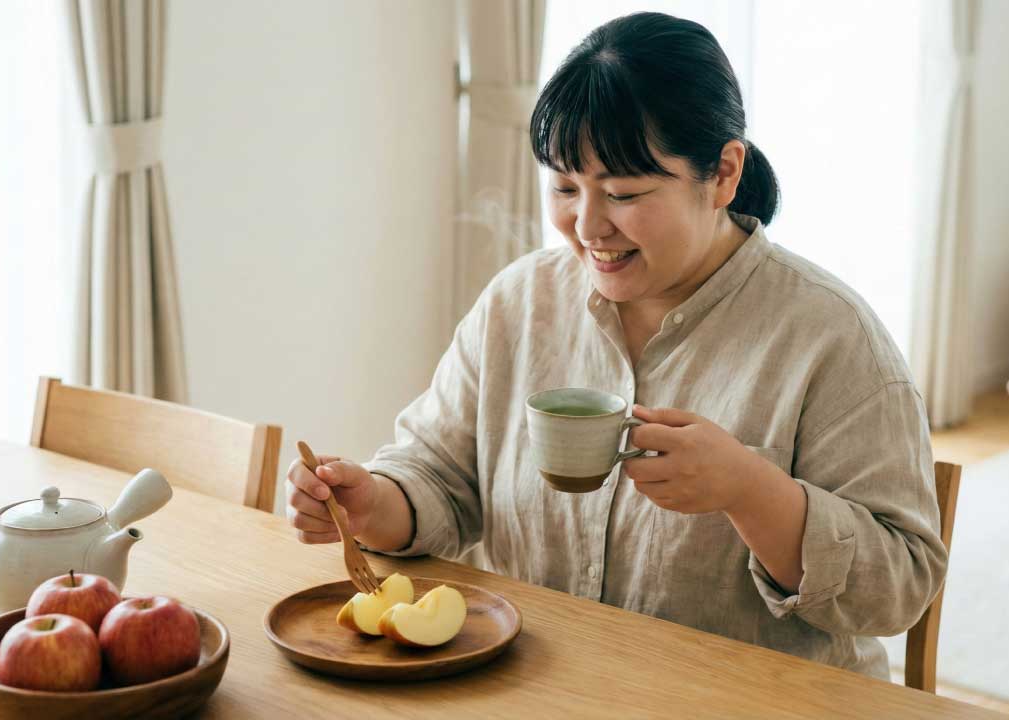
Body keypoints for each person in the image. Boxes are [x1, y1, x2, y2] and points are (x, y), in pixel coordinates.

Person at [287, 11, 946, 680]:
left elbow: (902, 586)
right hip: (535, 686)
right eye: (565, 187)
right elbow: (438, 478)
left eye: (625, 193)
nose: (589, 225)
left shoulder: (829, 336)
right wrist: (373, 502)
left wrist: (750, 490)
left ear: (723, 173)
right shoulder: (520, 304)